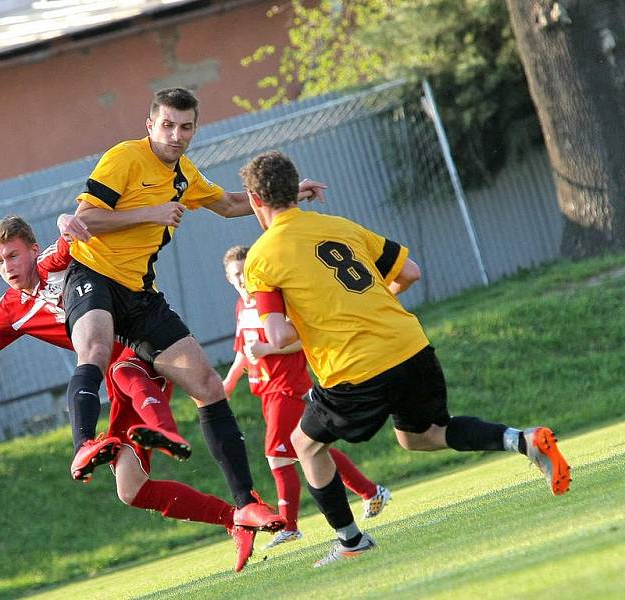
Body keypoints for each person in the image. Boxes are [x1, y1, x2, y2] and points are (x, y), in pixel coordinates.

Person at [238, 150, 571, 568]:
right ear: (295, 188)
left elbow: (276, 333)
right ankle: (523, 440)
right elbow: (409, 271)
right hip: (411, 347)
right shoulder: (340, 226)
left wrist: (317, 324)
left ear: (254, 199)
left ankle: (351, 541)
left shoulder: (262, 256)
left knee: (305, 444)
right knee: (421, 434)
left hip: (353, 368)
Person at [60, 87, 325, 533]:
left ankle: (245, 504)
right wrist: (151, 213)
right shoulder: (124, 158)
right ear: (150, 125)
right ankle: (85, 442)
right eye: (168, 125)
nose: (176, 135)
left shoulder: (184, 175)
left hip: (141, 294)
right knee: (97, 347)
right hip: (93, 275)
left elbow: (227, 204)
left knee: (208, 385)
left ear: (194, 128)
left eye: (185, 127)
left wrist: (285, 195)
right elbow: (86, 220)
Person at [0, 215, 257, 572]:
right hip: (113, 380)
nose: (8, 267)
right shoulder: (12, 308)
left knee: (124, 370)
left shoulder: (59, 259)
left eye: (14, 255)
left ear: (34, 250)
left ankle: (163, 431)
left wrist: (70, 218)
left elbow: (85, 226)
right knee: (131, 489)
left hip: (141, 350)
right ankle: (233, 519)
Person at [221, 245, 391, 550]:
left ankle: (288, 525)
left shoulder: (270, 302)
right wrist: (230, 381)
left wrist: (268, 350)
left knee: (278, 455)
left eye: (246, 272)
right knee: (309, 448)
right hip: (266, 389)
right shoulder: (240, 307)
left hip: (287, 386)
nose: (243, 279)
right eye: (236, 275)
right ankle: (371, 491)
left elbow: (299, 339)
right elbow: (242, 351)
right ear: (228, 279)